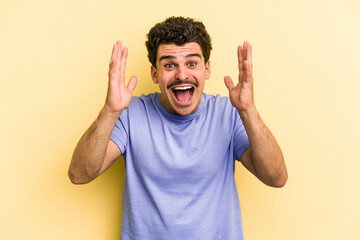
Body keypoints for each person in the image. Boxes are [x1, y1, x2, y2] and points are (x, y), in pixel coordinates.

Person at [68, 16, 288, 240]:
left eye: (192, 63)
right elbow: (79, 174)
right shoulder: (131, 114)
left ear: (207, 69)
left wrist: (248, 110)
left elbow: (276, 177)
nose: (182, 74)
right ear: (154, 74)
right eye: (169, 65)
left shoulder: (229, 113)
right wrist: (111, 111)